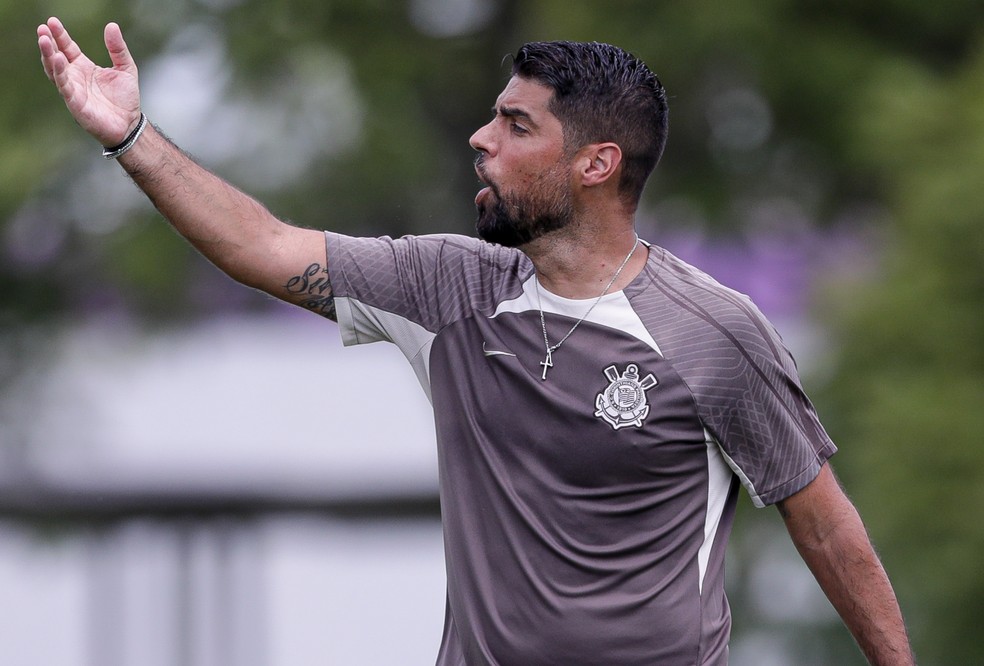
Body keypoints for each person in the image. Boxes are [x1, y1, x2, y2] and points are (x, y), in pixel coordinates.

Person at [37, 16, 915, 666]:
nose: (481, 139)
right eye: (494, 117)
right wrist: (133, 138)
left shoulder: (715, 333)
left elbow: (829, 531)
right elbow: (262, 247)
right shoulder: (447, 286)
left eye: (516, 125)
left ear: (597, 164)